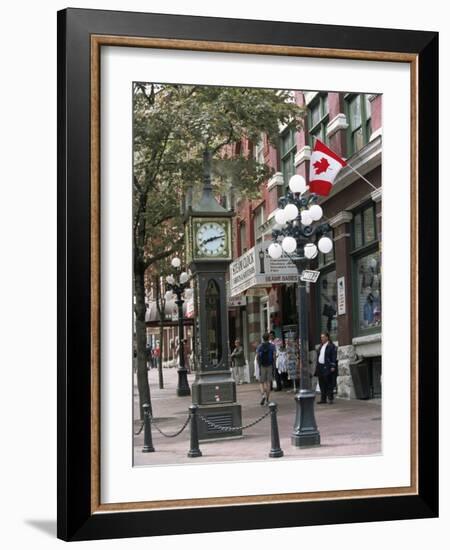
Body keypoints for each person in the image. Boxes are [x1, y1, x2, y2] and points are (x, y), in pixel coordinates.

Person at [315, 332, 338, 404]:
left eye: (323, 337)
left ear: (327, 337)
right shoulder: (321, 346)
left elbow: (333, 356)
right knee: (321, 383)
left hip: (327, 366)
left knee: (328, 382)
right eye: (321, 337)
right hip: (320, 366)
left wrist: (333, 365)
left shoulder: (331, 346)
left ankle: (330, 398)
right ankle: (323, 398)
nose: (322, 338)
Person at [256, 332, 276, 406]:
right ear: (269, 338)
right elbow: (274, 356)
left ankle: (263, 395)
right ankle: (267, 399)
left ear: (262, 338)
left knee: (261, 382)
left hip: (262, 366)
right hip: (270, 365)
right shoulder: (272, 346)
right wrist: (273, 364)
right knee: (268, 383)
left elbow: (257, 356)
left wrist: (259, 364)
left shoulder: (260, 346)